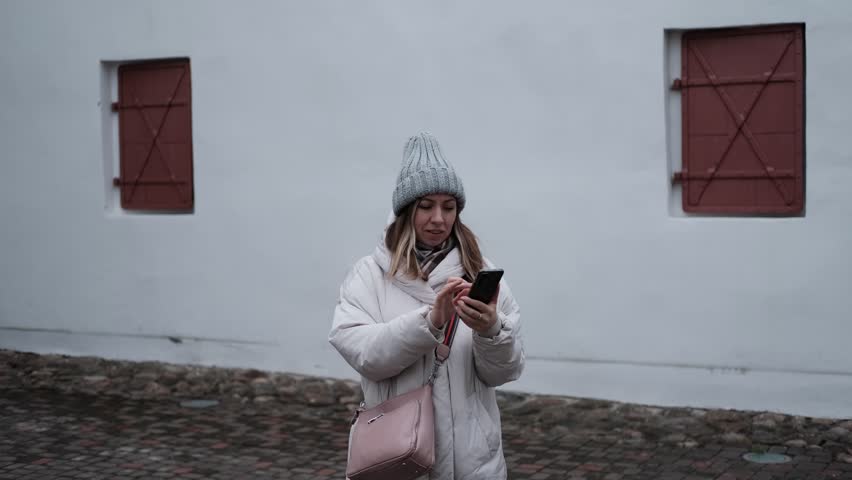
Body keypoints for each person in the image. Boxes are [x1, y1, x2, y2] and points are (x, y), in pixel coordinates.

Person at [329, 132, 524, 479]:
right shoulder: (369, 275)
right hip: (396, 460)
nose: (439, 219)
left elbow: (504, 371)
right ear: (406, 211)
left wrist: (491, 331)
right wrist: (429, 322)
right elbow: (365, 356)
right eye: (426, 206)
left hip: (474, 465)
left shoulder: (480, 273)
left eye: (449, 207)